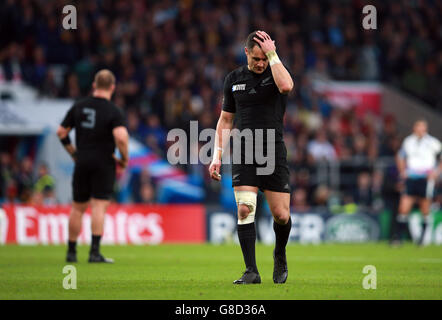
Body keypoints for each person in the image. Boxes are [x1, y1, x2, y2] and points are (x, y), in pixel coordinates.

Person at [209, 31, 294, 284]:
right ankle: (251, 271)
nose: (260, 63)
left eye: (264, 59)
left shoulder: (276, 71)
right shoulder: (233, 79)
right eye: (256, 58)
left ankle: (279, 253)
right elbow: (225, 120)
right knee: (245, 209)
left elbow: (287, 86)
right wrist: (217, 156)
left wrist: (273, 55)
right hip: (245, 150)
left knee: (281, 215)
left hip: (273, 151)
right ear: (246, 52)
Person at [56, 69, 129, 263]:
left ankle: (71, 252)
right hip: (104, 163)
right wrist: (124, 158)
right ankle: (94, 252)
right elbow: (121, 137)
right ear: (112, 88)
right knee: (98, 206)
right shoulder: (114, 111)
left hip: (82, 161)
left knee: (78, 207)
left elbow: (61, 132)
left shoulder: (79, 106)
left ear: (94, 85)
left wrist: (73, 153)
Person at [394, 119, 442, 245]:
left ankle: (422, 238)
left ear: (425, 129)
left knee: (424, 208)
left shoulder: (433, 142)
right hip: (411, 177)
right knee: (404, 207)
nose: (420, 130)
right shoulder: (408, 141)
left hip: (425, 178)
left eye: (422, 127)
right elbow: (400, 156)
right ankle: (398, 239)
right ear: (414, 128)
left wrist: (436, 172)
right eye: (418, 127)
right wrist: (402, 172)